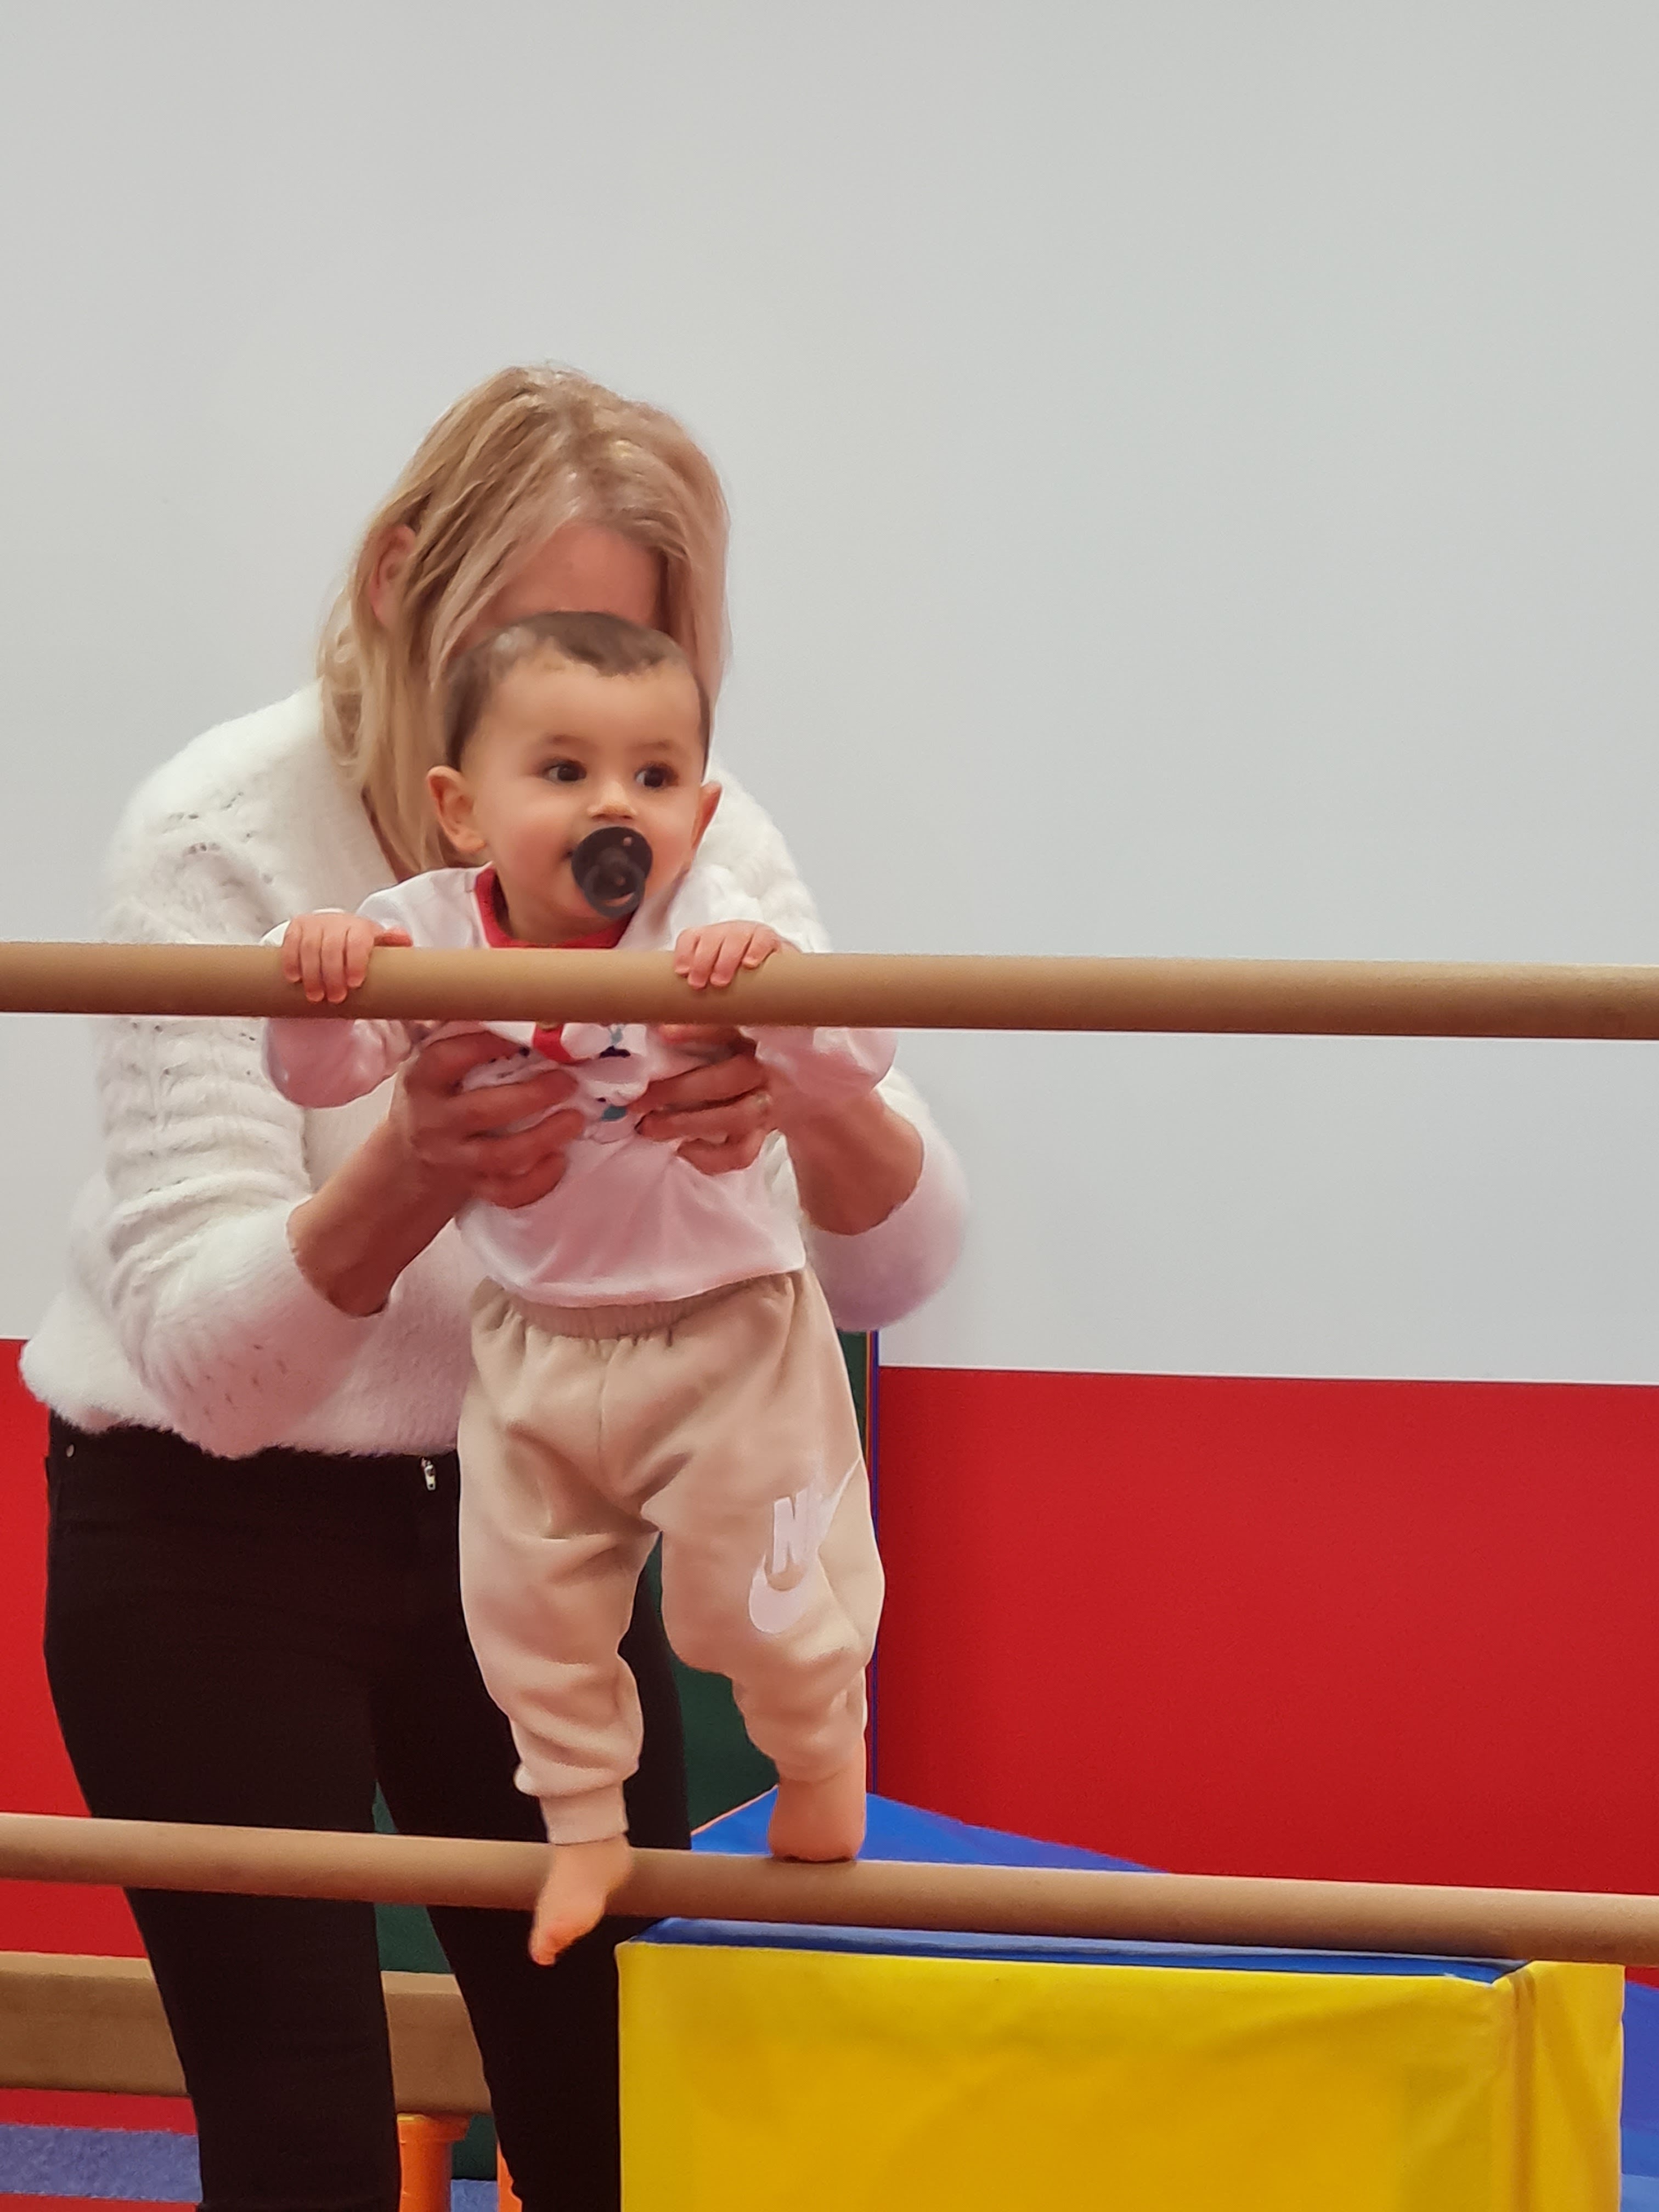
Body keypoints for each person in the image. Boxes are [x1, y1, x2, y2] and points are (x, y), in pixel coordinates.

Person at [21, 364, 966, 2212]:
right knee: (302, 2139)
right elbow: (216, 1382)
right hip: (210, 1527)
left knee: (617, 2110)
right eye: (530, 659)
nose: (601, 775)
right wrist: (408, 1168)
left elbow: (900, 1260)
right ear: (400, 586)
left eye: (635, 667)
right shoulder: (223, 834)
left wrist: (806, 1094)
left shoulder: (689, 835)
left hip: (536, 1479)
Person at [268, 610, 892, 1966]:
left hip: (726, 1332)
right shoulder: (423, 931)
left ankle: (817, 1751)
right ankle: (584, 1830)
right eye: (564, 771)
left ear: (700, 814)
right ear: (463, 809)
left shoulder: (706, 925)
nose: (616, 805)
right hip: (534, 1340)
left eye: (654, 776)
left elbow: (857, 1060)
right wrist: (320, 982)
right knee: (524, 1613)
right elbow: (318, 1077)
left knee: (746, 1606)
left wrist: (779, 994)